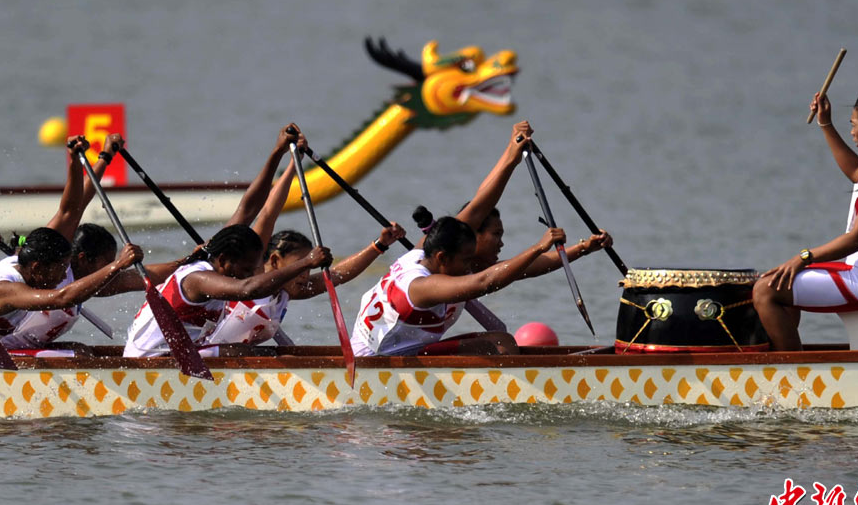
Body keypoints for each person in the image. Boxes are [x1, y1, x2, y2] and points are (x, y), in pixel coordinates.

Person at [123, 124, 339, 356]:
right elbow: (248, 289)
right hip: (149, 361)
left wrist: (279, 154)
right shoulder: (198, 279)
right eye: (245, 270)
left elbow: (250, 208)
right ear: (224, 261)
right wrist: (306, 262)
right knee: (248, 353)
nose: (249, 274)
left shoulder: (213, 251)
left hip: (178, 356)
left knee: (251, 352)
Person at [754, 73, 858, 351]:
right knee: (782, 280)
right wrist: (826, 124)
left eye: (854, 125)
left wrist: (803, 257)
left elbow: (857, 239)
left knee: (765, 291)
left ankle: (792, 372)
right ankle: (790, 357)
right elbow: (857, 171)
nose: (852, 132)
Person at [201, 150, 407, 348]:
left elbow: (338, 275)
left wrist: (379, 245)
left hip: (231, 358)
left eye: (308, 267)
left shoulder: (288, 292)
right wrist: (293, 164)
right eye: (301, 265)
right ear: (275, 261)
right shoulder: (251, 275)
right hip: (203, 352)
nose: (305, 274)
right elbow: (268, 214)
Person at [0, 137, 143, 350]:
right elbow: (63, 298)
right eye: (61, 268)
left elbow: (71, 209)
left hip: (10, 347)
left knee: (81, 350)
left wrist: (101, 157)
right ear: (37, 267)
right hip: (0, 356)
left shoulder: (42, 248)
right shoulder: (5, 289)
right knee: (80, 355)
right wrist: (117, 265)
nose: (65, 275)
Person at [351, 215, 565, 356]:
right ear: (442, 257)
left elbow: (523, 270)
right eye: (465, 260)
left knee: (501, 340)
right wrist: (538, 247)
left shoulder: (416, 257)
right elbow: (485, 282)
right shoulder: (423, 286)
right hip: (377, 362)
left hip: (388, 352)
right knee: (497, 346)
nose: (469, 266)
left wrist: (580, 248)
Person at [444, 121, 613, 278]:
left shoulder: (473, 268)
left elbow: (527, 267)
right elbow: (480, 205)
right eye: (496, 234)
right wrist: (511, 157)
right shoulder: (443, 260)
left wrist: (584, 248)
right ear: (473, 234)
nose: (501, 244)